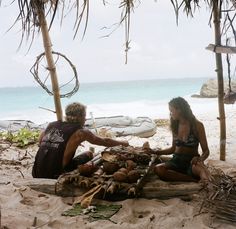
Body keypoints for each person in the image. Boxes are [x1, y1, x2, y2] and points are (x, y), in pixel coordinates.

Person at [32, 102, 129, 179]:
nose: (85, 119)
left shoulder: (51, 125)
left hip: (36, 173)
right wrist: (123, 143)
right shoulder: (81, 132)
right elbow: (105, 141)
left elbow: (40, 142)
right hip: (55, 175)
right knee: (89, 154)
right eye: (84, 116)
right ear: (81, 117)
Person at [152, 97, 211, 182]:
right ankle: (192, 180)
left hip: (192, 162)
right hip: (176, 161)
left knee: (203, 172)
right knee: (158, 169)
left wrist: (200, 159)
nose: (170, 114)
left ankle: (194, 178)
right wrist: (155, 152)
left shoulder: (197, 126)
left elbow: (206, 151)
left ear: (179, 110)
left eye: (171, 111)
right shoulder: (175, 126)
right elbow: (173, 149)